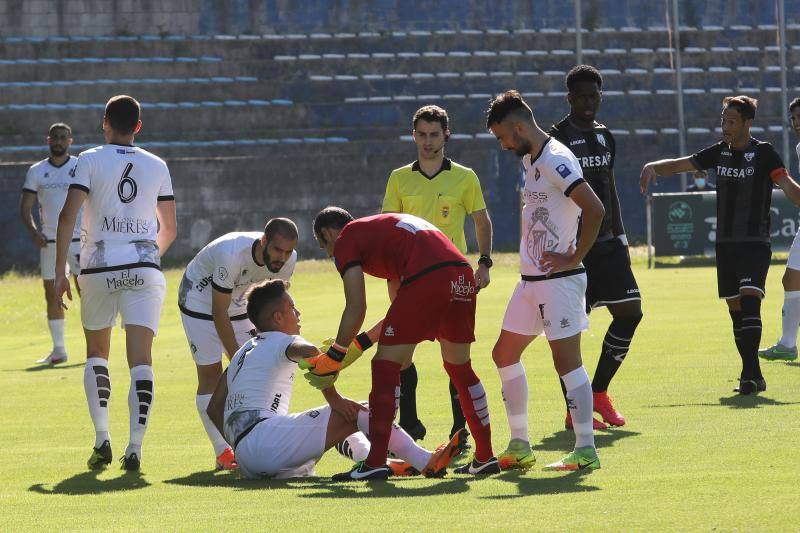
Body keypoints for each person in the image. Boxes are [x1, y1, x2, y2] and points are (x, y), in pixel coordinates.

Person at [205, 279, 461, 479]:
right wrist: (335, 399)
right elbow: (310, 353)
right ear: (278, 318)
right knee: (357, 409)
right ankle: (425, 460)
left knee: (337, 422)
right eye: (292, 308)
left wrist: (242, 450)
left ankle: (379, 462)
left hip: (251, 455)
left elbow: (214, 407)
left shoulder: (242, 352)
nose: (299, 312)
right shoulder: (286, 340)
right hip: (266, 442)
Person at [309, 208, 498, 479]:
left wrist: (336, 355)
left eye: (323, 245)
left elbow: (356, 305)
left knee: (385, 365)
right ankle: (485, 456)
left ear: (327, 233)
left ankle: (375, 462)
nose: (329, 254)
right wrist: (358, 343)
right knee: (460, 368)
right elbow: (400, 310)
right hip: (461, 275)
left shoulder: (346, 240)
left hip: (430, 276)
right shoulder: (383, 234)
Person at [640, 95, 800, 394]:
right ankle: (753, 372)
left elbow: (788, 186)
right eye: (723, 121)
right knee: (736, 309)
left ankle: (749, 374)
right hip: (725, 244)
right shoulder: (719, 152)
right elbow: (683, 164)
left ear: (747, 124)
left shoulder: (764, 153)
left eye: (731, 122)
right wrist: (653, 166)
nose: (725, 126)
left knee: (751, 299)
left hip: (754, 242)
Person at [55, 95, 178, 470]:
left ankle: (101, 439)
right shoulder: (157, 165)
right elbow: (169, 229)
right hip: (144, 268)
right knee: (141, 360)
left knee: (97, 354)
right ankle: (136, 448)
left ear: (104, 122)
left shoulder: (89, 160)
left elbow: (66, 217)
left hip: (98, 269)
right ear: (138, 127)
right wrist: (145, 257)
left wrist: (61, 270)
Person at [485, 90, 605, 472]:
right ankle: (520, 444)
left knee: (566, 362)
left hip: (560, 280)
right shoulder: (529, 157)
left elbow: (595, 207)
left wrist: (574, 256)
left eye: (502, 136)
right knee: (503, 353)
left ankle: (586, 448)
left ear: (519, 127)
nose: (502, 143)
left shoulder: (556, 159)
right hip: (531, 280)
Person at [382, 104, 494, 449]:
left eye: (434, 134)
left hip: (452, 279)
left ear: (447, 134)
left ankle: (459, 432)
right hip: (410, 279)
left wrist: (485, 263)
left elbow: (482, 221)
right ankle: (410, 425)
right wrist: (392, 278)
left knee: (455, 358)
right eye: (422, 134)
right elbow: (389, 231)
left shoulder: (465, 176)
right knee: (402, 355)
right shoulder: (399, 178)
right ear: (413, 135)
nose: (427, 141)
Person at [548, 65, 643, 431]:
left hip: (608, 243)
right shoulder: (555, 140)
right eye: (582, 96)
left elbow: (609, 186)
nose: (589, 102)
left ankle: (599, 392)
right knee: (566, 332)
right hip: (573, 248)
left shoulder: (605, 136)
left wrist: (620, 235)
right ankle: (575, 411)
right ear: (570, 98)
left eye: (594, 95)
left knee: (630, 312)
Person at [178, 219, 298, 470]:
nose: (282, 258)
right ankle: (223, 451)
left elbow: (276, 303)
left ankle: (269, 433)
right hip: (199, 301)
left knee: (265, 365)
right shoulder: (231, 254)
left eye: (287, 252)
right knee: (211, 375)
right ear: (263, 242)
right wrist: (239, 359)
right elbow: (218, 312)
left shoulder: (289, 260)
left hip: (239, 301)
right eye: (277, 250)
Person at [20, 123, 82, 364]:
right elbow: (25, 207)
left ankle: (95, 345)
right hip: (49, 242)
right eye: (54, 137)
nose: (58, 141)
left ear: (70, 141)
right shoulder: (36, 171)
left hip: (78, 240)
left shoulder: (79, 166)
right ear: (48, 140)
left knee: (85, 290)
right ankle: (59, 350)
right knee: (51, 292)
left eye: (63, 137)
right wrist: (34, 232)